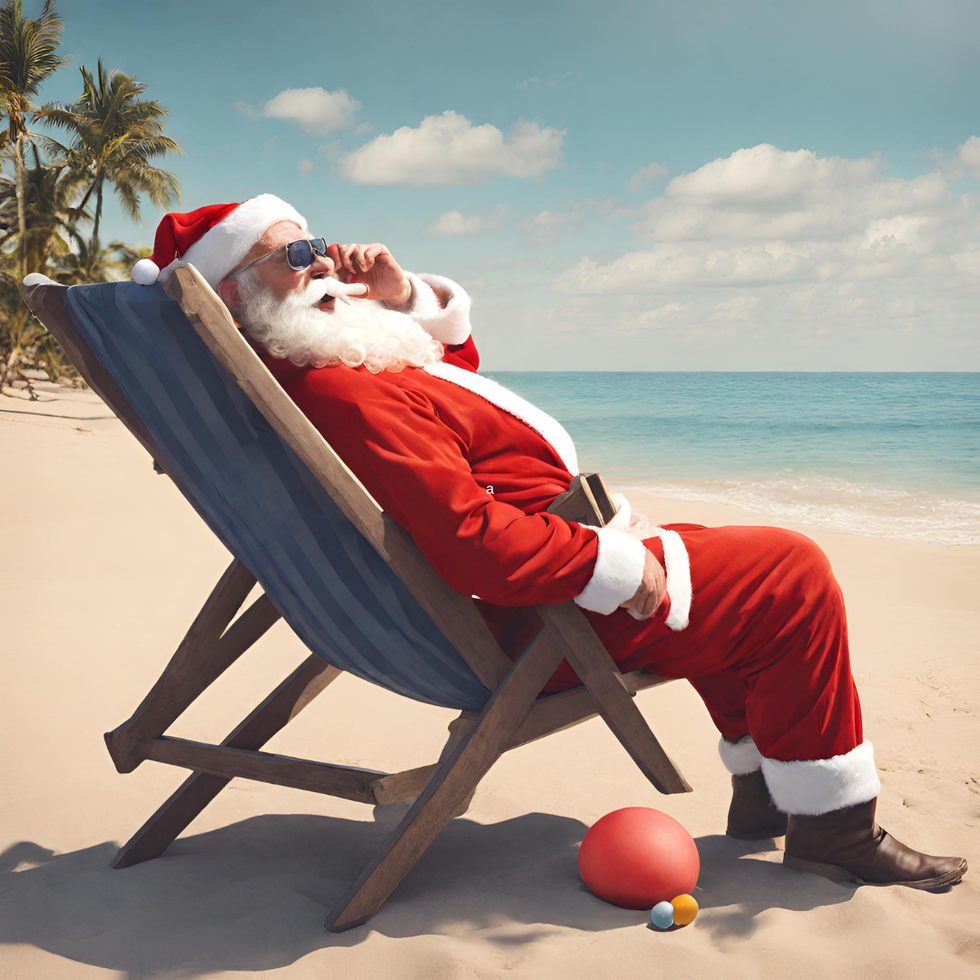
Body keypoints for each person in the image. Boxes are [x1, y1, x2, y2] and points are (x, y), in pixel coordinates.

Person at [133, 195, 967, 891]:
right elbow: (468, 539)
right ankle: (833, 830)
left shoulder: (319, 369)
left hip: (503, 600)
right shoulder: (340, 395)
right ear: (236, 294)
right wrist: (613, 562)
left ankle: (763, 795)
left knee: (719, 559)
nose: (322, 264)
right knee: (790, 572)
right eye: (295, 255)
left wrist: (402, 297)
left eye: (316, 245)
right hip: (530, 619)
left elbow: (450, 389)